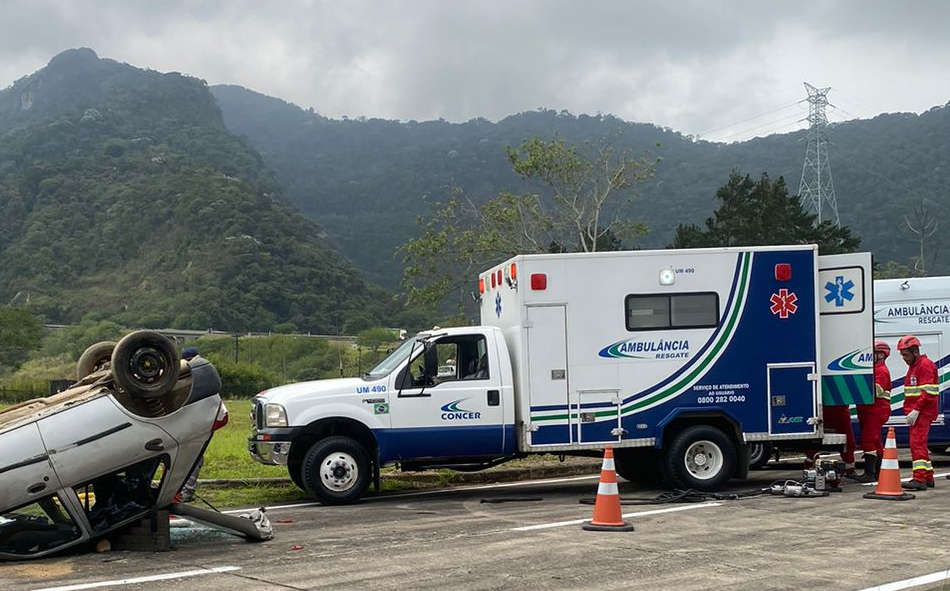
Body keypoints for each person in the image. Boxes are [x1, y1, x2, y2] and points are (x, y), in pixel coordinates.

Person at [898, 335, 940, 491]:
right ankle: (928, 477)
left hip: (923, 412)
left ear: (915, 352)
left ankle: (919, 479)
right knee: (919, 444)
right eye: (902, 355)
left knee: (917, 444)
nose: (903, 358)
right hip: (919, 412)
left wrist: (916, 410)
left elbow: (929, 392)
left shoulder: (924, 365)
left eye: (905, 354)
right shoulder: (916, 365)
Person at [851, 341, 893, 482]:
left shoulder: (881, 371)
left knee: (868, 441)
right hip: (869, 411)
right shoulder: (876, 369)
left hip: (876, 411)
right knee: (875, 442)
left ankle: (870, 473)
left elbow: (876, 391)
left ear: (881, 355)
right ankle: (879, 472)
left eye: (872, 353)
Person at [178, 346, 202, 502]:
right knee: (194, 457)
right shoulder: (196, 375)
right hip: (193, 423)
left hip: (191, 423)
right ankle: (186, 490)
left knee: (193, 457)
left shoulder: (185, 377)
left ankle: (185, 491)